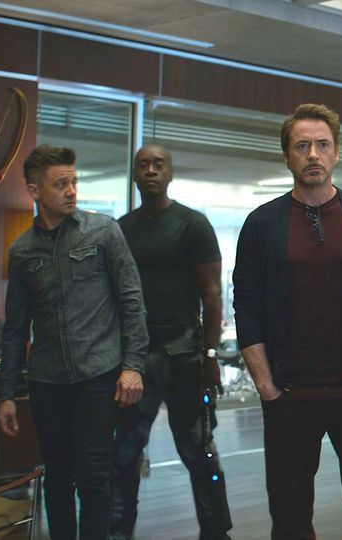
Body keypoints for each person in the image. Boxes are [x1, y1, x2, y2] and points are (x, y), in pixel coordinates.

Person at [232, 103, 342, 539]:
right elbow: (246, 306)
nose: (313, 155)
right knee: (290, 517)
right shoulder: (262, 224)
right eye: (302, 146)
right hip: (289, 393)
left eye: (322, 145)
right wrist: (265, 384)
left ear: (336, 153)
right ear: (287, 156)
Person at [0, 145, 148, 540]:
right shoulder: (22, 250)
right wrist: (8, 394)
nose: (71, 191)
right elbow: (15, 328)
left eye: (74, 182)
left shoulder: (104, 232)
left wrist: (133, 366)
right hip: (47, 381)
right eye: (60, 184)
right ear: (35, 191)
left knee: (94, 476)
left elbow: (132, 301)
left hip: (97, 374)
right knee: (57, 476)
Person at [110, 144, 232, 540]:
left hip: (185, 357)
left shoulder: (192, 224)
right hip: (136, 357)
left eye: (158, 164)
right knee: (125, 452)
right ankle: (119, 531)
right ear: (134, 174)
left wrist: (210, 354)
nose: (150, 170)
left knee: (199, 450)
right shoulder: (121, 229)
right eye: (143, 165)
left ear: (170, 173)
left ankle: (216, 532)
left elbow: (212, 295)